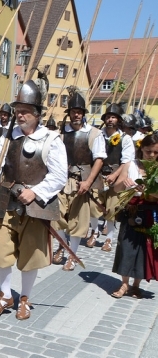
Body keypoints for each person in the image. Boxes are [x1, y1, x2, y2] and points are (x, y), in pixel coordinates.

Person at [0, 80, 67, 320]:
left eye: (24, 111)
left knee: (30, 255)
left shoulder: (51, 140)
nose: (19, 116)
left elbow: (60, 176)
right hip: (5, 199)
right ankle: (6, 295)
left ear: (37, 114)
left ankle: (25, 299)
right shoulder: (6, 138)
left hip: (34, 205)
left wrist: (37, 192)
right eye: (17, 111)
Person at [52, 92, 106, 271]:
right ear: (69, 113)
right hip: (62, 180)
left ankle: (72, 255)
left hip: (82, 182)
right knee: (56, 216)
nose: (76, 115)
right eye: (73, 111)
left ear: (83, 113)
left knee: (77, 219)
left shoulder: (94, 134)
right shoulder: (60, 133)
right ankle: (62, 244)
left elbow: (99, 159)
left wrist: (88, 182)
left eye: (79, 112)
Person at [110, 132, 158, 299]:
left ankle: (136, 285)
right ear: (141, 150)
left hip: (151, 213)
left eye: (155, 152)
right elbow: (116, 188)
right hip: (131, 211)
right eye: (148, 151)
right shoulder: (130, 165)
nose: (151, 155)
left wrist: (149, 192)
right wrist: (125, 184)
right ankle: (124, 284)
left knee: (144, 249)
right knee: (126, 247)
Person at [86, 104, 134, 251]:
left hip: (116, 177)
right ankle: (95, 231)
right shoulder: (98, 135)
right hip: (98, 176)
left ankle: (109, 238)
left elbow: (127, 160)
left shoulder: (125, 139)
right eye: (108, 117)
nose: (110, 120)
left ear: (118, 120)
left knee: (112, 209)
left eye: (113, 117)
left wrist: (115, 174)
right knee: (94, 207)